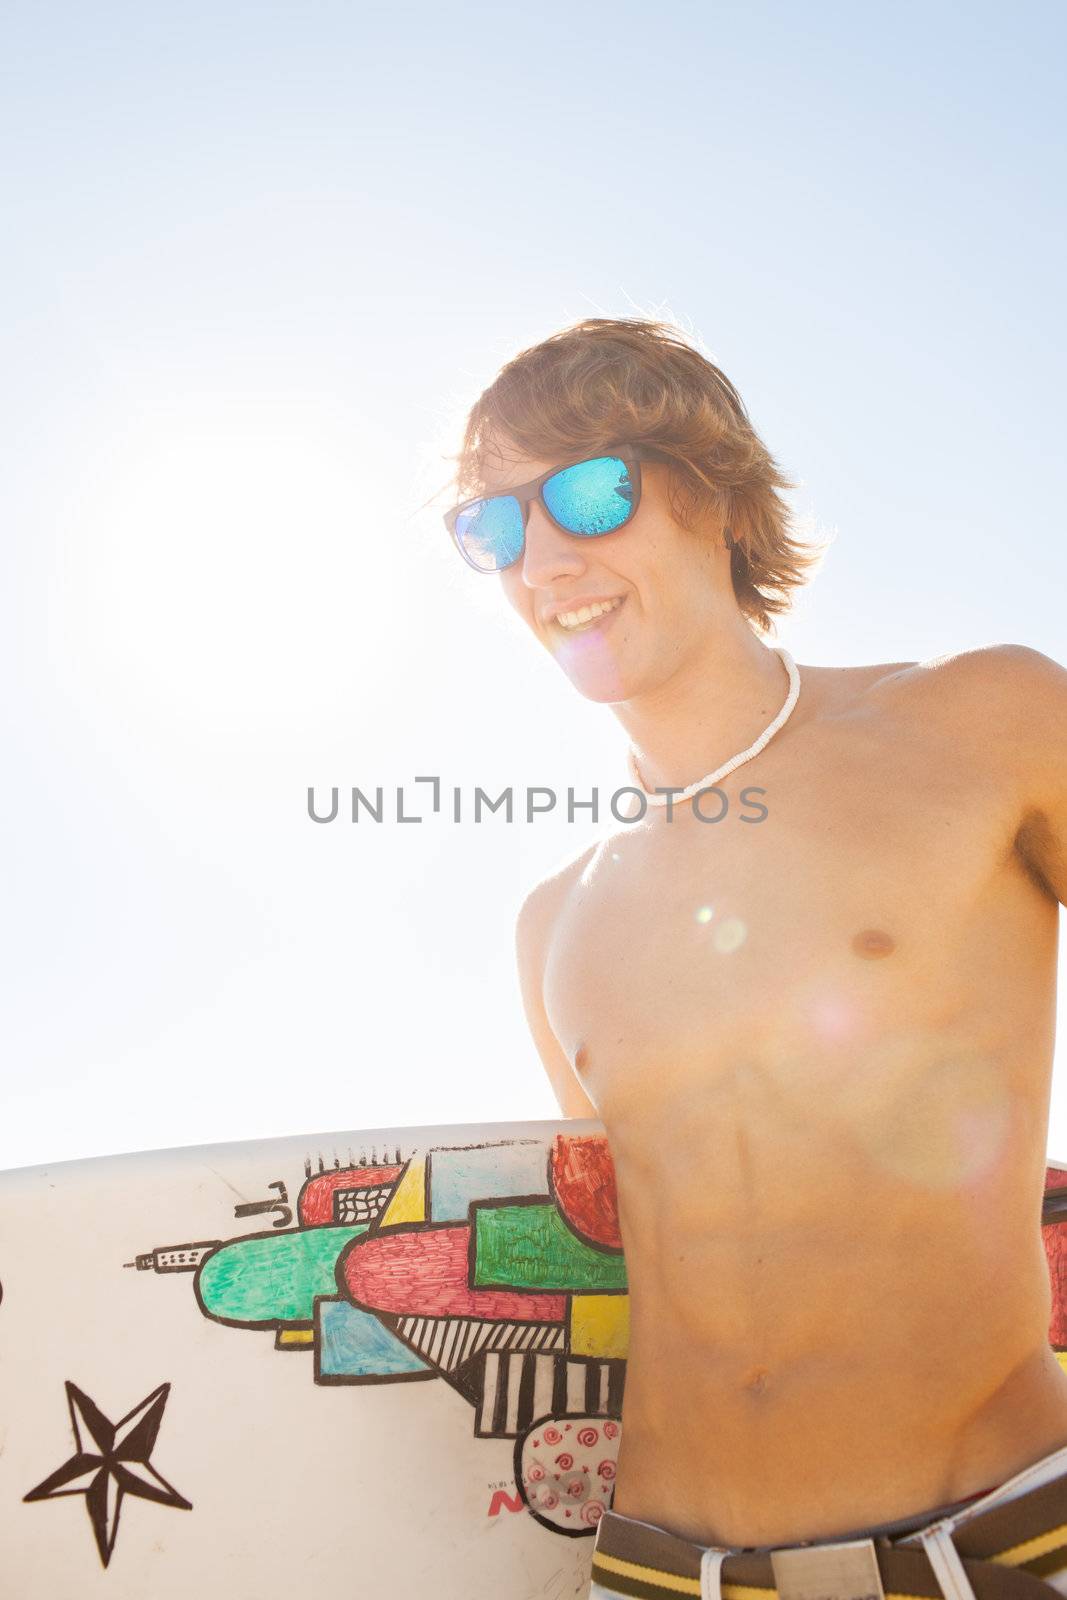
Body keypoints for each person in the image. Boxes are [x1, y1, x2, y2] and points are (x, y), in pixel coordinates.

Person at [441, 318, 1067, 1600]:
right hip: (664, 1574)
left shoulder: (983, 721)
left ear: (715, 495)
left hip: (1003, 1548)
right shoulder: (553, 924)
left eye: (587, 492)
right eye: (493, 528)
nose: (543, 558)